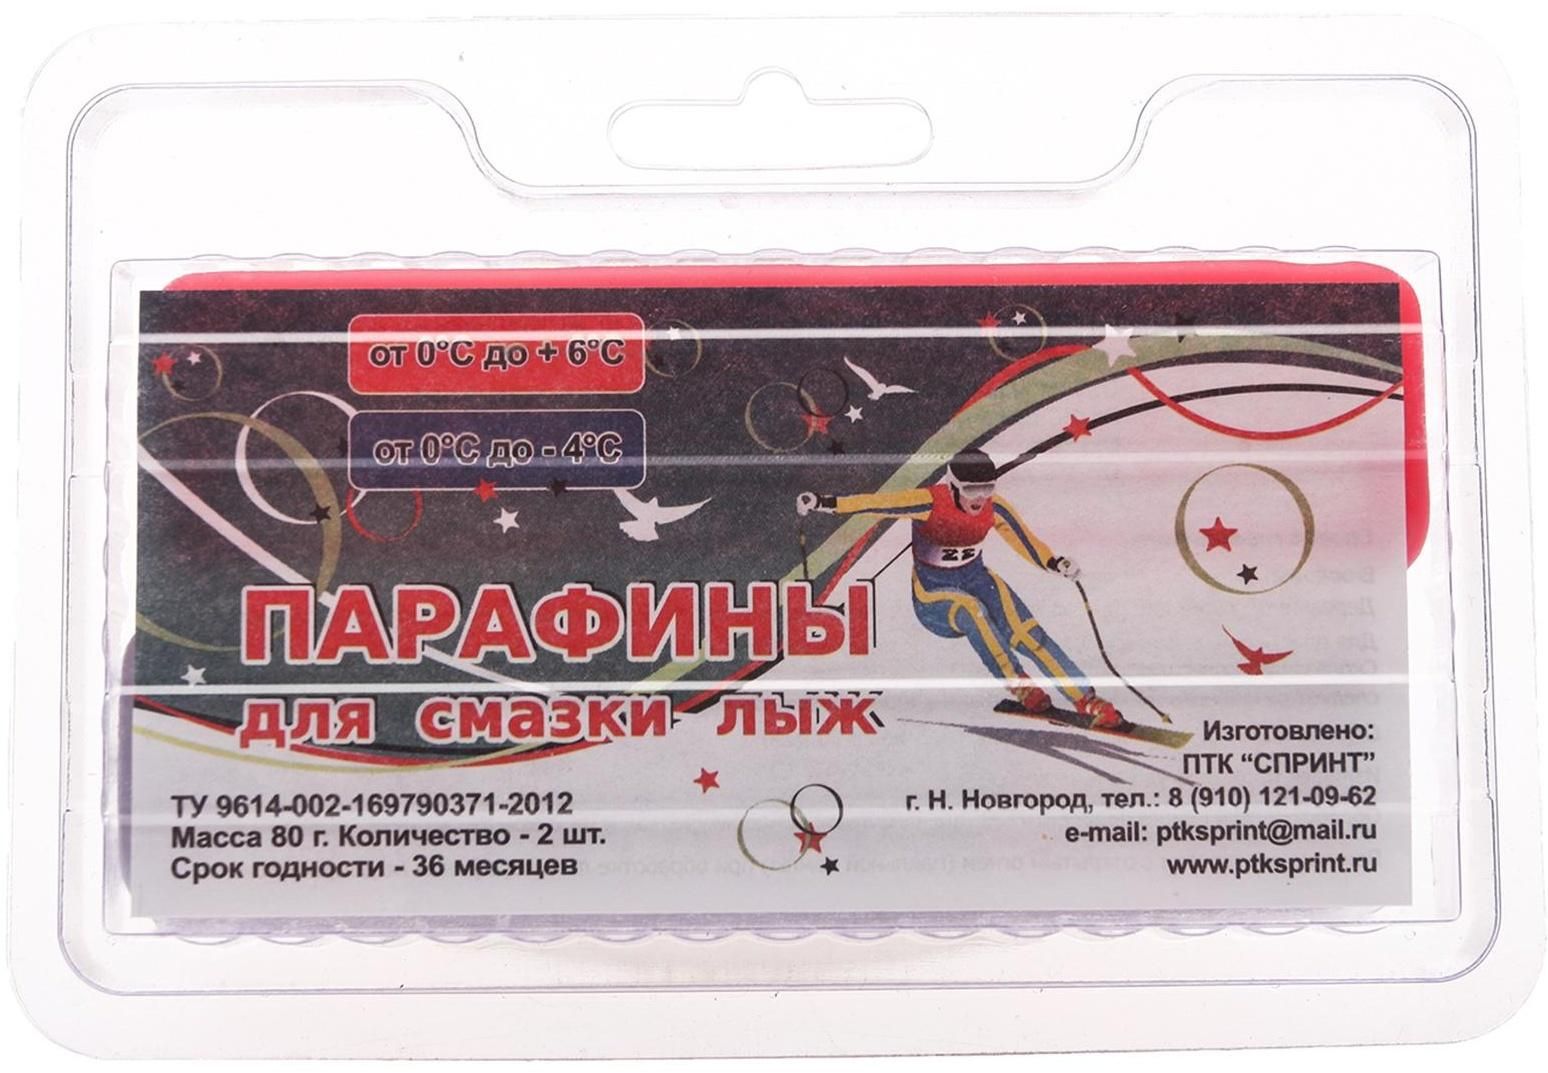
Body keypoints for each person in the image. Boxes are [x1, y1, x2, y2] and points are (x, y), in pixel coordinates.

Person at [797, 449, 1126, 729]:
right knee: (973, 611)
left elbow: (1024, 541)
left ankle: (1086, 699)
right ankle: (1022, 687)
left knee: (1026, 632)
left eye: (987, 488)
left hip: (975, 578)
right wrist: (823, 502)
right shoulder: (929, 502)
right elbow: (876, 504)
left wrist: (1054, 563)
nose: (980, 497)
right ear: (953, 486)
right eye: (971, 490)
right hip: (933, 596)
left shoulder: (994, 508)